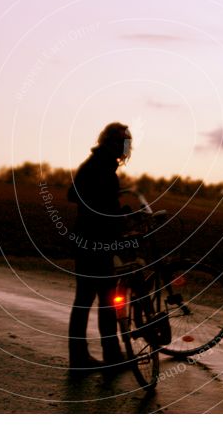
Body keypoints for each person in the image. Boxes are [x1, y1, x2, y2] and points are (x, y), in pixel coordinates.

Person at [66, 122, 132, 374]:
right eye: (117, 140)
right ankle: (97, 357)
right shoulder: (98, 166)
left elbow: (86, 196)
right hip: (93, 240)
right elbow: (76, 194)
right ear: (107, 141)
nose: (121, 146)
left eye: (124, 142)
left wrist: (116, 212)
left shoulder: (103, 165)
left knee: (98, 298)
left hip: (95, 238)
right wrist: (108, 211)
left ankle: (97, 356)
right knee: (96, 299)